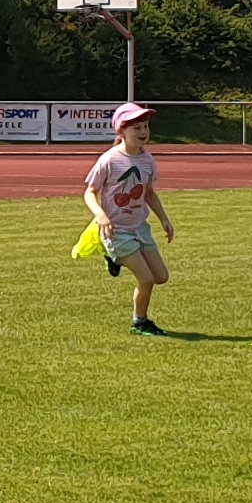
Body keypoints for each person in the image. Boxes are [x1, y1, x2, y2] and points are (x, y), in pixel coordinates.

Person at [81, 100, 175, 333]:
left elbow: (149, 194)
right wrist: (101, 216)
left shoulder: (147, 160)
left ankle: (114, 259)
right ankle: (139, 322)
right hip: (116, 231)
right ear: (121, 131)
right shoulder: (109, 160)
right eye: (137, 128)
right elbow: (90, 192)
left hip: (139, 228)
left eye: (145, 127)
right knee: (146, 279)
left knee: (161, 276)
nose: (143, 132)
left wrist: (164, 218)